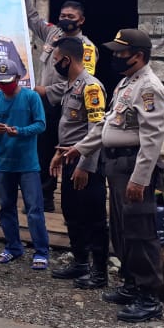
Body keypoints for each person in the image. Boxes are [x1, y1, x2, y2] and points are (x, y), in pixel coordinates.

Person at [62, 28, 164, 322]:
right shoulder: (127, 83)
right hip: (117, 166)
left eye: (121, 52)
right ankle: (132, 284)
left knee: (141, 232)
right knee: (123, 231)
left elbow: (152, 137)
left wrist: (140, 178)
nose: (115, 56)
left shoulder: (149, 88)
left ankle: (149, 298)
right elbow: (106, 126)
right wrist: (79, 149)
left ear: (138, 56)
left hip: (134, 166)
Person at [18, 0, 98, 213]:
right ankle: (45, 198)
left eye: (71, 17)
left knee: (66, 150)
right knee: (42, 149)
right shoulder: (53, 34)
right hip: (44, 105)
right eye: (62, 16)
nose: (65, 20)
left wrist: (47, 89)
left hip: (71, 107)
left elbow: (83, 82)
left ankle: (75, 205)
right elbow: (31, 18)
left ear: (81, 20)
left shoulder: (87, 49)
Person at [44, 37, 108, 288]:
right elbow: (71, 127)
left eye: (56, 59)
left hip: (86, 164)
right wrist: (59, 154)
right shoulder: (71, 85)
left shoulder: (91, 87)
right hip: (70, 159)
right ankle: (80, 263)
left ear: (67, 60)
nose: (55, 64)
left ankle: (99, 273)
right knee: (72, 213)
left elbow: (97, 130)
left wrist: (85, 166)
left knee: (93, 217)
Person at [0, 60, 49, 269]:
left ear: (18, 78)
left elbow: (41, 124)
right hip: (4, 162)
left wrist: (19, 131)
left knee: (34, 208)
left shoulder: (31, 97)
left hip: (28, 163)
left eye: (8, 82)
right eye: (0, 83)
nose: (4, 86)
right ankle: (13, 247)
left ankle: (41, 251)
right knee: (6, 207)